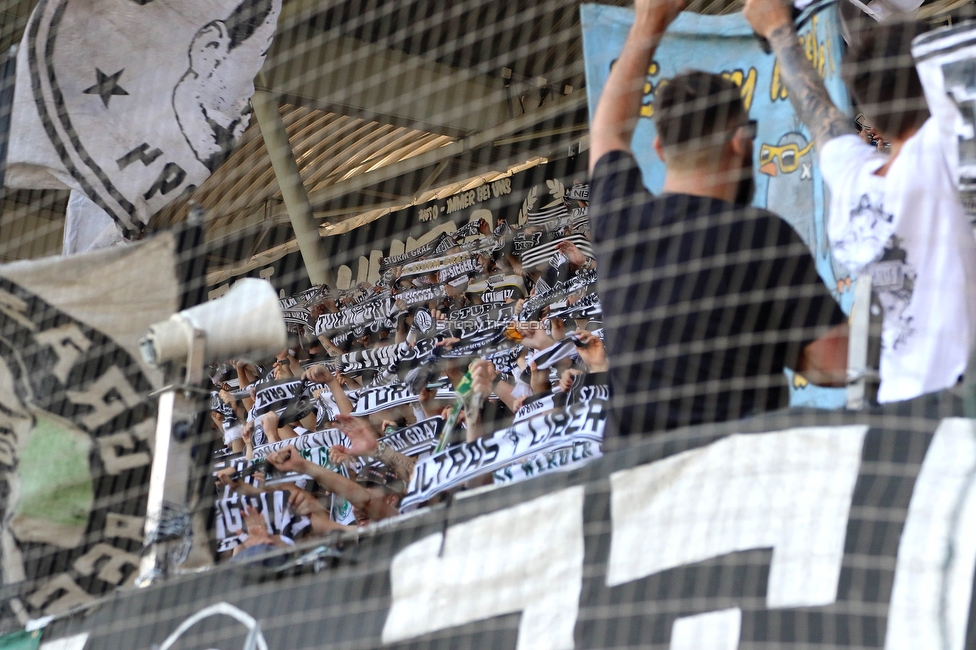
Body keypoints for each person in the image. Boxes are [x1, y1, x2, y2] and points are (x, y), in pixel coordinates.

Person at [587, 0, 848, 435]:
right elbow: (836, 363)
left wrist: (649, 19)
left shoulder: (618, 220)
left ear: (660, 150)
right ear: (740, 142)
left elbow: (608, 132)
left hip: (633, 485)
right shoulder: (761, 236)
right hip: (732, 486)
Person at [744, 2, 976, 403]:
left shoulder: (854, 181)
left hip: (900, 409)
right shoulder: (934, 156)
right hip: (961, 401)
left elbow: (817, 112)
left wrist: (780, 32)